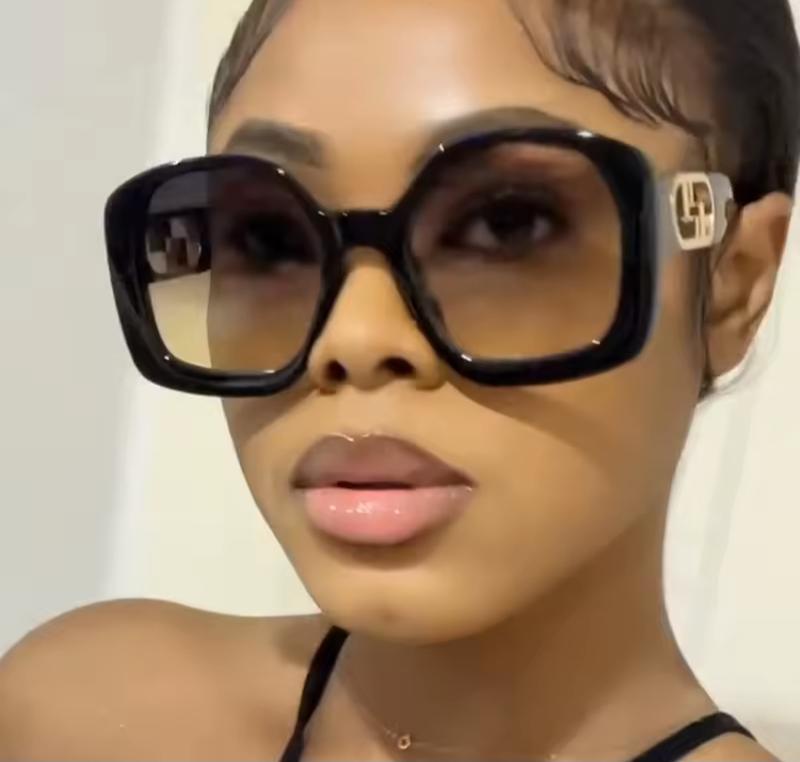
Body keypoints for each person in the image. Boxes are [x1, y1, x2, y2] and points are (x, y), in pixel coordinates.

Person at [1, 0, 798, 759]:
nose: (354, 337)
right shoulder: (81, 717)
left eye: (509, 224)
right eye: (267, 234)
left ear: (733, 282)